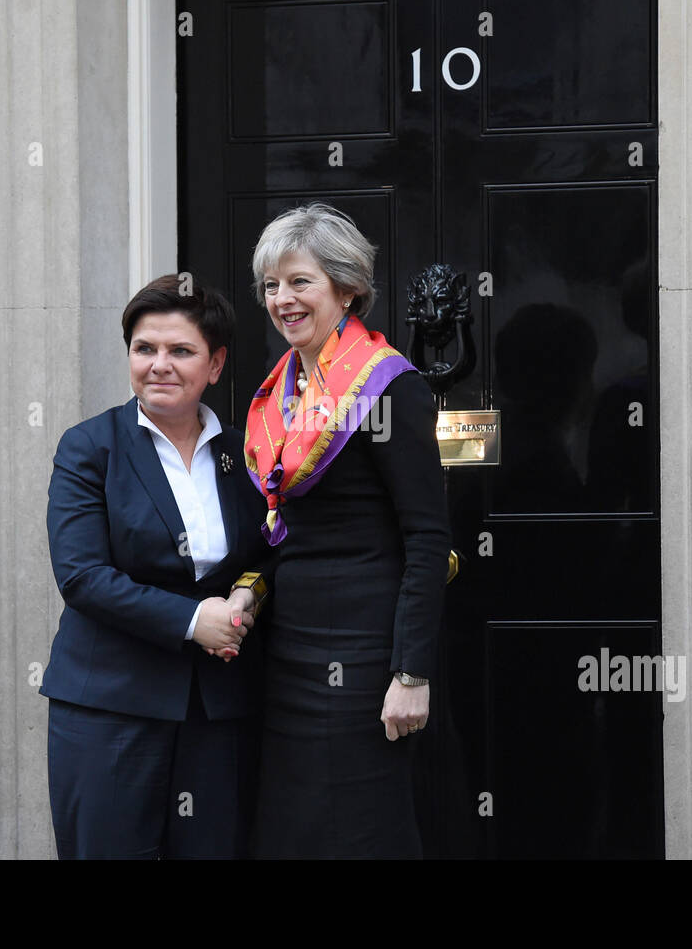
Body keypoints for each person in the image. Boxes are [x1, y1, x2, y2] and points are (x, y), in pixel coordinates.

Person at [244, 203, 451, 857]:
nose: (283, 299)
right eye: (272, 285)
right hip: (291, 656)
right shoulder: (281, 388)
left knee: (363, 828)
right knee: (295, 827)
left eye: (300, 281)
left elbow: (427, 538)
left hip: (364, 657)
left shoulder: (391, 388)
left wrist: (410, 673)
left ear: (346, 286)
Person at [42, 274, 271, 858]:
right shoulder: (89, 447)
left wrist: (242, 601)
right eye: (145, 349)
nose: (159, 365)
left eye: (181, 351)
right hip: (110, 709)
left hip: (217, 713)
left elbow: (266, 557)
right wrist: (196, 621)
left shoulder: (244, 454)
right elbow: (82, 576)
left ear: (215, 365)